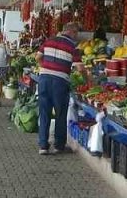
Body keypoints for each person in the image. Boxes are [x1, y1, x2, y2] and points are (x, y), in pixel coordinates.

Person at [37, 22, 82, 155]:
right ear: (72, 32)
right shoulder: (73, 46)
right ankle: (58, 146)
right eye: (76, 33)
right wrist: (86, 78)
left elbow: (38, 57)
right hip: (60, 82)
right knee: (60, 113)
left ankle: (43, 146)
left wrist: (45, 68)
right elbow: (80, 67)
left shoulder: (49, 40)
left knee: (44, 113)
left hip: (44, 80)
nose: (76, 36)